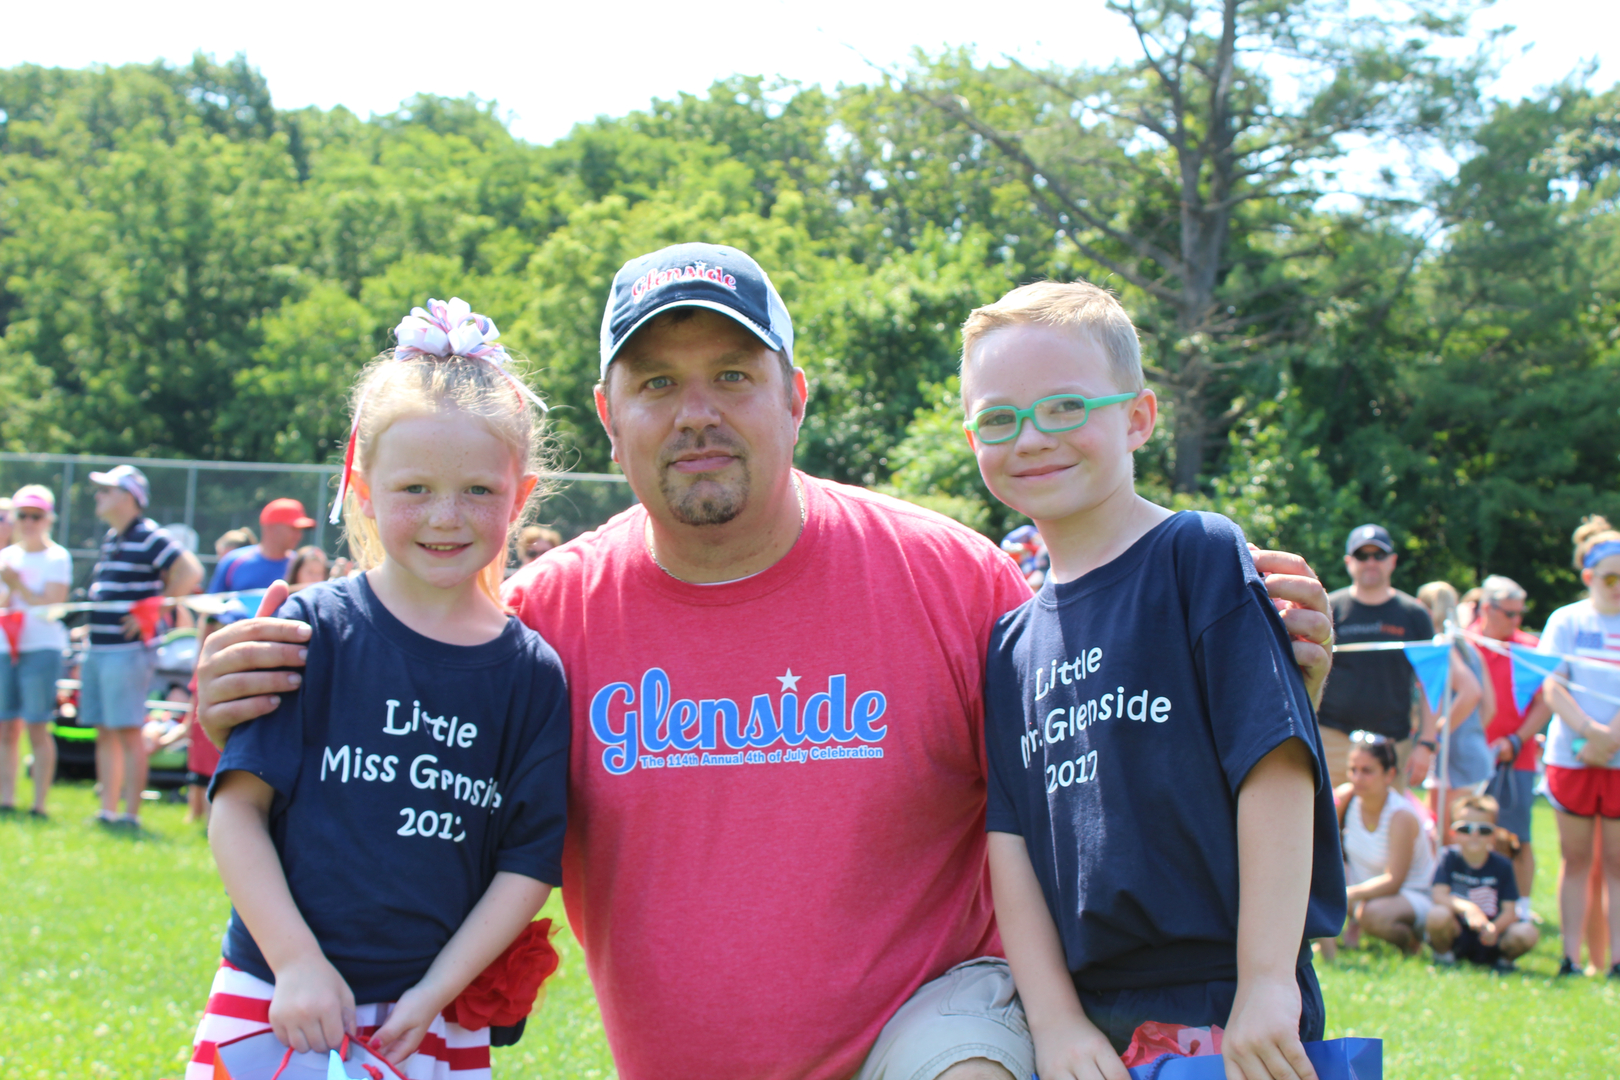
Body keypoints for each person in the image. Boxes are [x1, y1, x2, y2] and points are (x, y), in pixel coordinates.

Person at [193, 243, 1337, 1080]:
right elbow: (381, 755)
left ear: (794, 396)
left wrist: (1268, 682)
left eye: (734, 375)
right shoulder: (532, 627)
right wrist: (241, 688)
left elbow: (1111, 777)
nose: (698, 411)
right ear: (609, 417)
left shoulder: (954, 579)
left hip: (938, 1030)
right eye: (658, 383)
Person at [962, 282, 1342, 1080]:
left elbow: (1274, 764)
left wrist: (1267, 978)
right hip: (1092, 1018)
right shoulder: (1010, 641)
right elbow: (1012, 846)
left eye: (1065, 406)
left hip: (1230, 995)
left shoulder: (1197, 555)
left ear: (1138, 417)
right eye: (1000, 418)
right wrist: (1058, 1021)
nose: (1031, 438)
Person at [187, 297, 569, 1078]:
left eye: (479, 492)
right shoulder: (314, 630)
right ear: (361, 488)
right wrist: (294, 962)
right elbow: (236, 813)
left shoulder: (532, 674)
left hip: (427, 1019)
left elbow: (527, 865)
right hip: (276, 997)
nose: (446, 516)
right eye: (415, 489)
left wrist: (435, 993)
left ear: (520, 497)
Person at [82, 464, 202, 828]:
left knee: (128, 729)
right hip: (100, 649)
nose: (99, 496)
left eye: (107, 489)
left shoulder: (150, 535)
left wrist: (155, 609)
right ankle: (108, 810)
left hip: (127, 651)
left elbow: (190, 571)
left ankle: (130, 815)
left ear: (129, 497)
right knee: (105, 729)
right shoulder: (113, 537)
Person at [1538, 515, 1620, 979]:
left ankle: (1613, 961)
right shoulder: (1566, 620)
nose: (1617, 587)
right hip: (1572, 755)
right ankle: (1570, 958)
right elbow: (1551, 685)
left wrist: (1610, 739)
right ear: (1589, 577)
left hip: (1615, 759)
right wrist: (1590, 733)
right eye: (1609, 578)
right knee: (1576, 860)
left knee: (1615, 862)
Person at [1315, 524, 1438, 790]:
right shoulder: (1329, 609)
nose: (1371, 562)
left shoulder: (1414, 614)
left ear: (1392, 561)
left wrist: (1427, 744)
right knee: (1327, 828)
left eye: (1378, 555)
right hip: (1333, 740)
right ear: (1349, 562)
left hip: (1393, 744)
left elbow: (1430, 682)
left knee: (1388, 828)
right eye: (1362, 555)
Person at [1474, 574, 1551, 912]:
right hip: (1471, 756)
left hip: (1515, 757)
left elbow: (1547, 700)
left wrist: (1517, 740)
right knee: (1468, 831)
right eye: (1510, 614)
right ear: (1487, 609)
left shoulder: (1529, 649)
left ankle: (1521, 905)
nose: (1517, 621)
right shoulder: (1465, 642)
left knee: (1517, 837)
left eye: (1520, 614)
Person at [0, 485, 72, 819]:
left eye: (36, 516)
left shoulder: (57, 557)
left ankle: (39, 804)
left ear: (48, 519)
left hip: (41, 648)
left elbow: (52, 608)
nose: (28, 522)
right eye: (22, 515)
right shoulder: (7, 557)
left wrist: (19, 586)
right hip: (5, 648)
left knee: (36, 725)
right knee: (5, 728)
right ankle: (6, 798)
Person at [1337, 734, 1436, 955]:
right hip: (1362, 894)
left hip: (1412, 896)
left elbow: (1394, 881)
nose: (1357, 777)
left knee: (1371, 914)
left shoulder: (1400, 815)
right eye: (1353, 769)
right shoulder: (1345, 799)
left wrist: (1346, 895)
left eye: (1367, 770)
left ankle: (1413, 944)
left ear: (1389, 774)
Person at [1426, 793, 1538, 971]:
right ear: (1452, 833)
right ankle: (1444, 956)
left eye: (1483, 829)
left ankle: (1503, 962)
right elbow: (1438, 895)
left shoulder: (1503, 865)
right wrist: (1469, 909)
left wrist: (1494, 928)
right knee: (1436, 915)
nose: (1474, 834)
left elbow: (1511, 911)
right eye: (1465, 829)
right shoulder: (1448, 857)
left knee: (1527, 932)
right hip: (1457, 931)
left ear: (1494, 834)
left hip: (1492, 935)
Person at [1415, 581, 1494, 832]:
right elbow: (1490, 708)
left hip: (1455, 761)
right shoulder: (1470, 648)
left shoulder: (1440, 646)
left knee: (1447, 841)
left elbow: (1472, 692)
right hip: (1473, 755)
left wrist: (1435, 734)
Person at [207, 499, 316, 594]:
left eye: (300, 530)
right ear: (271, 528)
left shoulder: (301, 566)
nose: (299, 536)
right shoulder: (234, 562)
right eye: (293, 529)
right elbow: (211, 607)